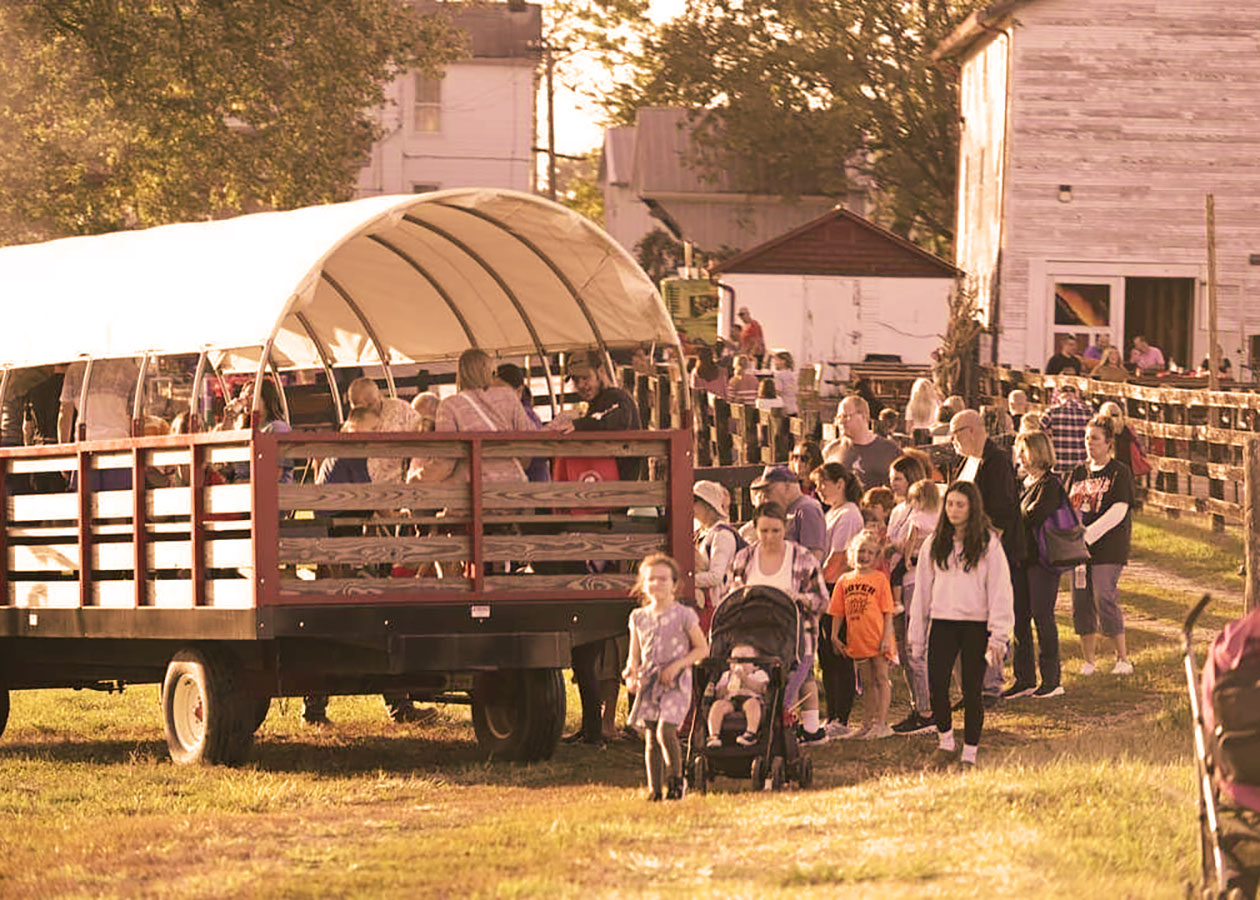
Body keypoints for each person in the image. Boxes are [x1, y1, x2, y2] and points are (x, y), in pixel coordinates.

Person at [559, 349, 644, 746]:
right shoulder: (596, 406)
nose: (581, 385)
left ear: (601, 373)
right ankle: (595, 723)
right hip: (598, 512)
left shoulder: (618, 402)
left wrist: (574, 424)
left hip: (612, 514)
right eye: (575, 381)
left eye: (585, 378)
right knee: (590, 630)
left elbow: (610, 425)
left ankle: (605, 723)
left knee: (602, 629)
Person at [910, 481, 1015, 768]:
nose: (954, 510)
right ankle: (946, 743)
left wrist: (998, 636)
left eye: (960, 504)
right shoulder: (935, 543)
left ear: (972, 508)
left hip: (975, 626)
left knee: (971, 690)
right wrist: (917, 637)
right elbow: (922, 593)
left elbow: (1000, 590)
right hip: (943, 623)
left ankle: (970, 752)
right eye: (950, 504)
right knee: (937, 687)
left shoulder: (987, 543)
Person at [724, 502, 830, 743]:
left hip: (794, 638)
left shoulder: (802, 558)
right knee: (749, 686)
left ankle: (797, 731)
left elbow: (823, 600)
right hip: (752, 637)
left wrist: (800, 599)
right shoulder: (744, 558)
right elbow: (730, 596)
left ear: (786, 528)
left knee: (788, 689)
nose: (769, 537)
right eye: (764, 531)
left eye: (775, 531)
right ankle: (746, 729)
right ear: (754, 529)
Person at [948, 408, 1023, 706]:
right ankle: (970, 686)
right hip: (963, 551)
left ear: (973, 431)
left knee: (991, 617)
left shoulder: (996, 462)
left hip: (991, 552)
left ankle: (991, 685)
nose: (952, 440)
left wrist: (984, 551)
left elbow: (1002, 512)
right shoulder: (964, 462)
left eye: (955, 433)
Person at [623, 554, 708, 801]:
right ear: (643, 583)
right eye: (651, 579)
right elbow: (634, 655)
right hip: (650, 684)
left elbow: (702, 649)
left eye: (663, 579)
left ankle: (676, 780)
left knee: (665, 730)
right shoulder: (638, 618)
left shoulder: (684, 615)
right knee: (650, 735)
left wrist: (678, 666)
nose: (657, 584)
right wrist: (631, 674)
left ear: (674, 584)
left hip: (675, 683)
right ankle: (654, 789)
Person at [1065, 415, 1135, 676]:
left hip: (1108, 549)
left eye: (1094, 439)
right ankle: (1089, 660)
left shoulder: (1119, 472)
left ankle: (1123, 658)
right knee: (1081, 602)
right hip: (1078, 552)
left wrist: (1089, 535)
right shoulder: (1078, 472)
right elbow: (1066, 508)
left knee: (1103, 596)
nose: (1089, 443)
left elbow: (1119, 510)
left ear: (1108, 443)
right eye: (1086, 438)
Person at [1010, 431, 1067, 699]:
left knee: (1042, 617)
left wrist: (1011, 514)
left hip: (1042, 561)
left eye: (1023, 450)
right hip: (1021, 560)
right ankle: (1024, 678)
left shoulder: (1050, 485)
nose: (1019, 456)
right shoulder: (1023, 483)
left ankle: (1052, 679)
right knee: (1019, 618)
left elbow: (1035, 516)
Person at [811, 461, 865, 738]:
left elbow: (838, 558)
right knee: (826, 654)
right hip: (827, 588)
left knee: (838, 652)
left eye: (823, 483)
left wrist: (814, 580)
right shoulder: (832, 512)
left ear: (840, 484)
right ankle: (831, 713)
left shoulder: (849, 514)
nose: (819, 489)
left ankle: (842, 717)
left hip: (837, 588)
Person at [886, 455, 937, 734]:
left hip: (918, 582)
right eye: (891, 477)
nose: (892, 483)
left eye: (897, 478)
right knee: (905, 649)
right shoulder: (897, 511)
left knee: (917, 648)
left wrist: (897, 549)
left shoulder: (928, 511)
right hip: (898, 583)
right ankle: (917, 705)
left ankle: (929, 711)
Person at [830, 530, 896, 740]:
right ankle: (867, 724)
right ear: (852, 553)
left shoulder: (880, 579)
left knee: (881, 678)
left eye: (869, 552)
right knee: (867, 682)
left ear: (876, 557)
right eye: (860, 551)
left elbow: (888, 612)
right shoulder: (844, 580)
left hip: (878, 637)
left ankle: (882, 723)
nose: (864, 556)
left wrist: (886, 638)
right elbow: (837, 611)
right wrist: (834, 636)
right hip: (857, 640)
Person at [347, 376, 421, 485]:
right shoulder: (352, 423)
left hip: (399, 483)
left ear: (380, 396)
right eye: (361, 407)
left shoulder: (400, 409)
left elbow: (421, 430)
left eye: (371, 404)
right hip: (365, 486)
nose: (369, 409)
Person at [749, 464, 826, 560]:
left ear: (787, 487)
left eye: (768, 490)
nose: (765, 496)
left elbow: (814, 555)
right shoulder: (789, 510)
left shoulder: (807, 509)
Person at [693, 479, 742, 631]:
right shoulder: (702, 533)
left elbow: (716, 577)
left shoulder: (722, 535)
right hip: (707, 606)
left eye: (695, 501)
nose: (691, 505)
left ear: (708, 506)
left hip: (718, 608)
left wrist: (685, 581)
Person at [827, 394, 901, 490]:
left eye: (845, 416)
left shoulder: (890, 450)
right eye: (838, 417)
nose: (841, 422)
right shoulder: (831, 450)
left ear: (863, 416)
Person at [705, 643, 770, 748]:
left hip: (750, 699)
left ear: (755, 664)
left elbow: (763, 689)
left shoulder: (758, 674)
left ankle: (750, 733)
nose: (739, 664)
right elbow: (718, 694)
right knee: (717, 705)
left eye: (744, 660)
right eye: (735, 660)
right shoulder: (727, 675)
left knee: (752, 705)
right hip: (731, 700)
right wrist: (726, 687)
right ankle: (713, 735)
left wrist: (745, 679)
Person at [1040, 383, 1093, 481]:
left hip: (1059, 465)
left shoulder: (1052, 411)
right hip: (1081, 466)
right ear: (1076, 395)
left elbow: (1038, 429)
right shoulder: (1088, 411)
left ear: (1059, 395)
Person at [771, 350, 798, 415]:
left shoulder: (779, 375)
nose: (774, 363)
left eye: (776, 360)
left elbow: (778, 392)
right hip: (794, 407)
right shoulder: (792, 374)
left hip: (783, 408)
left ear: (783, 361)